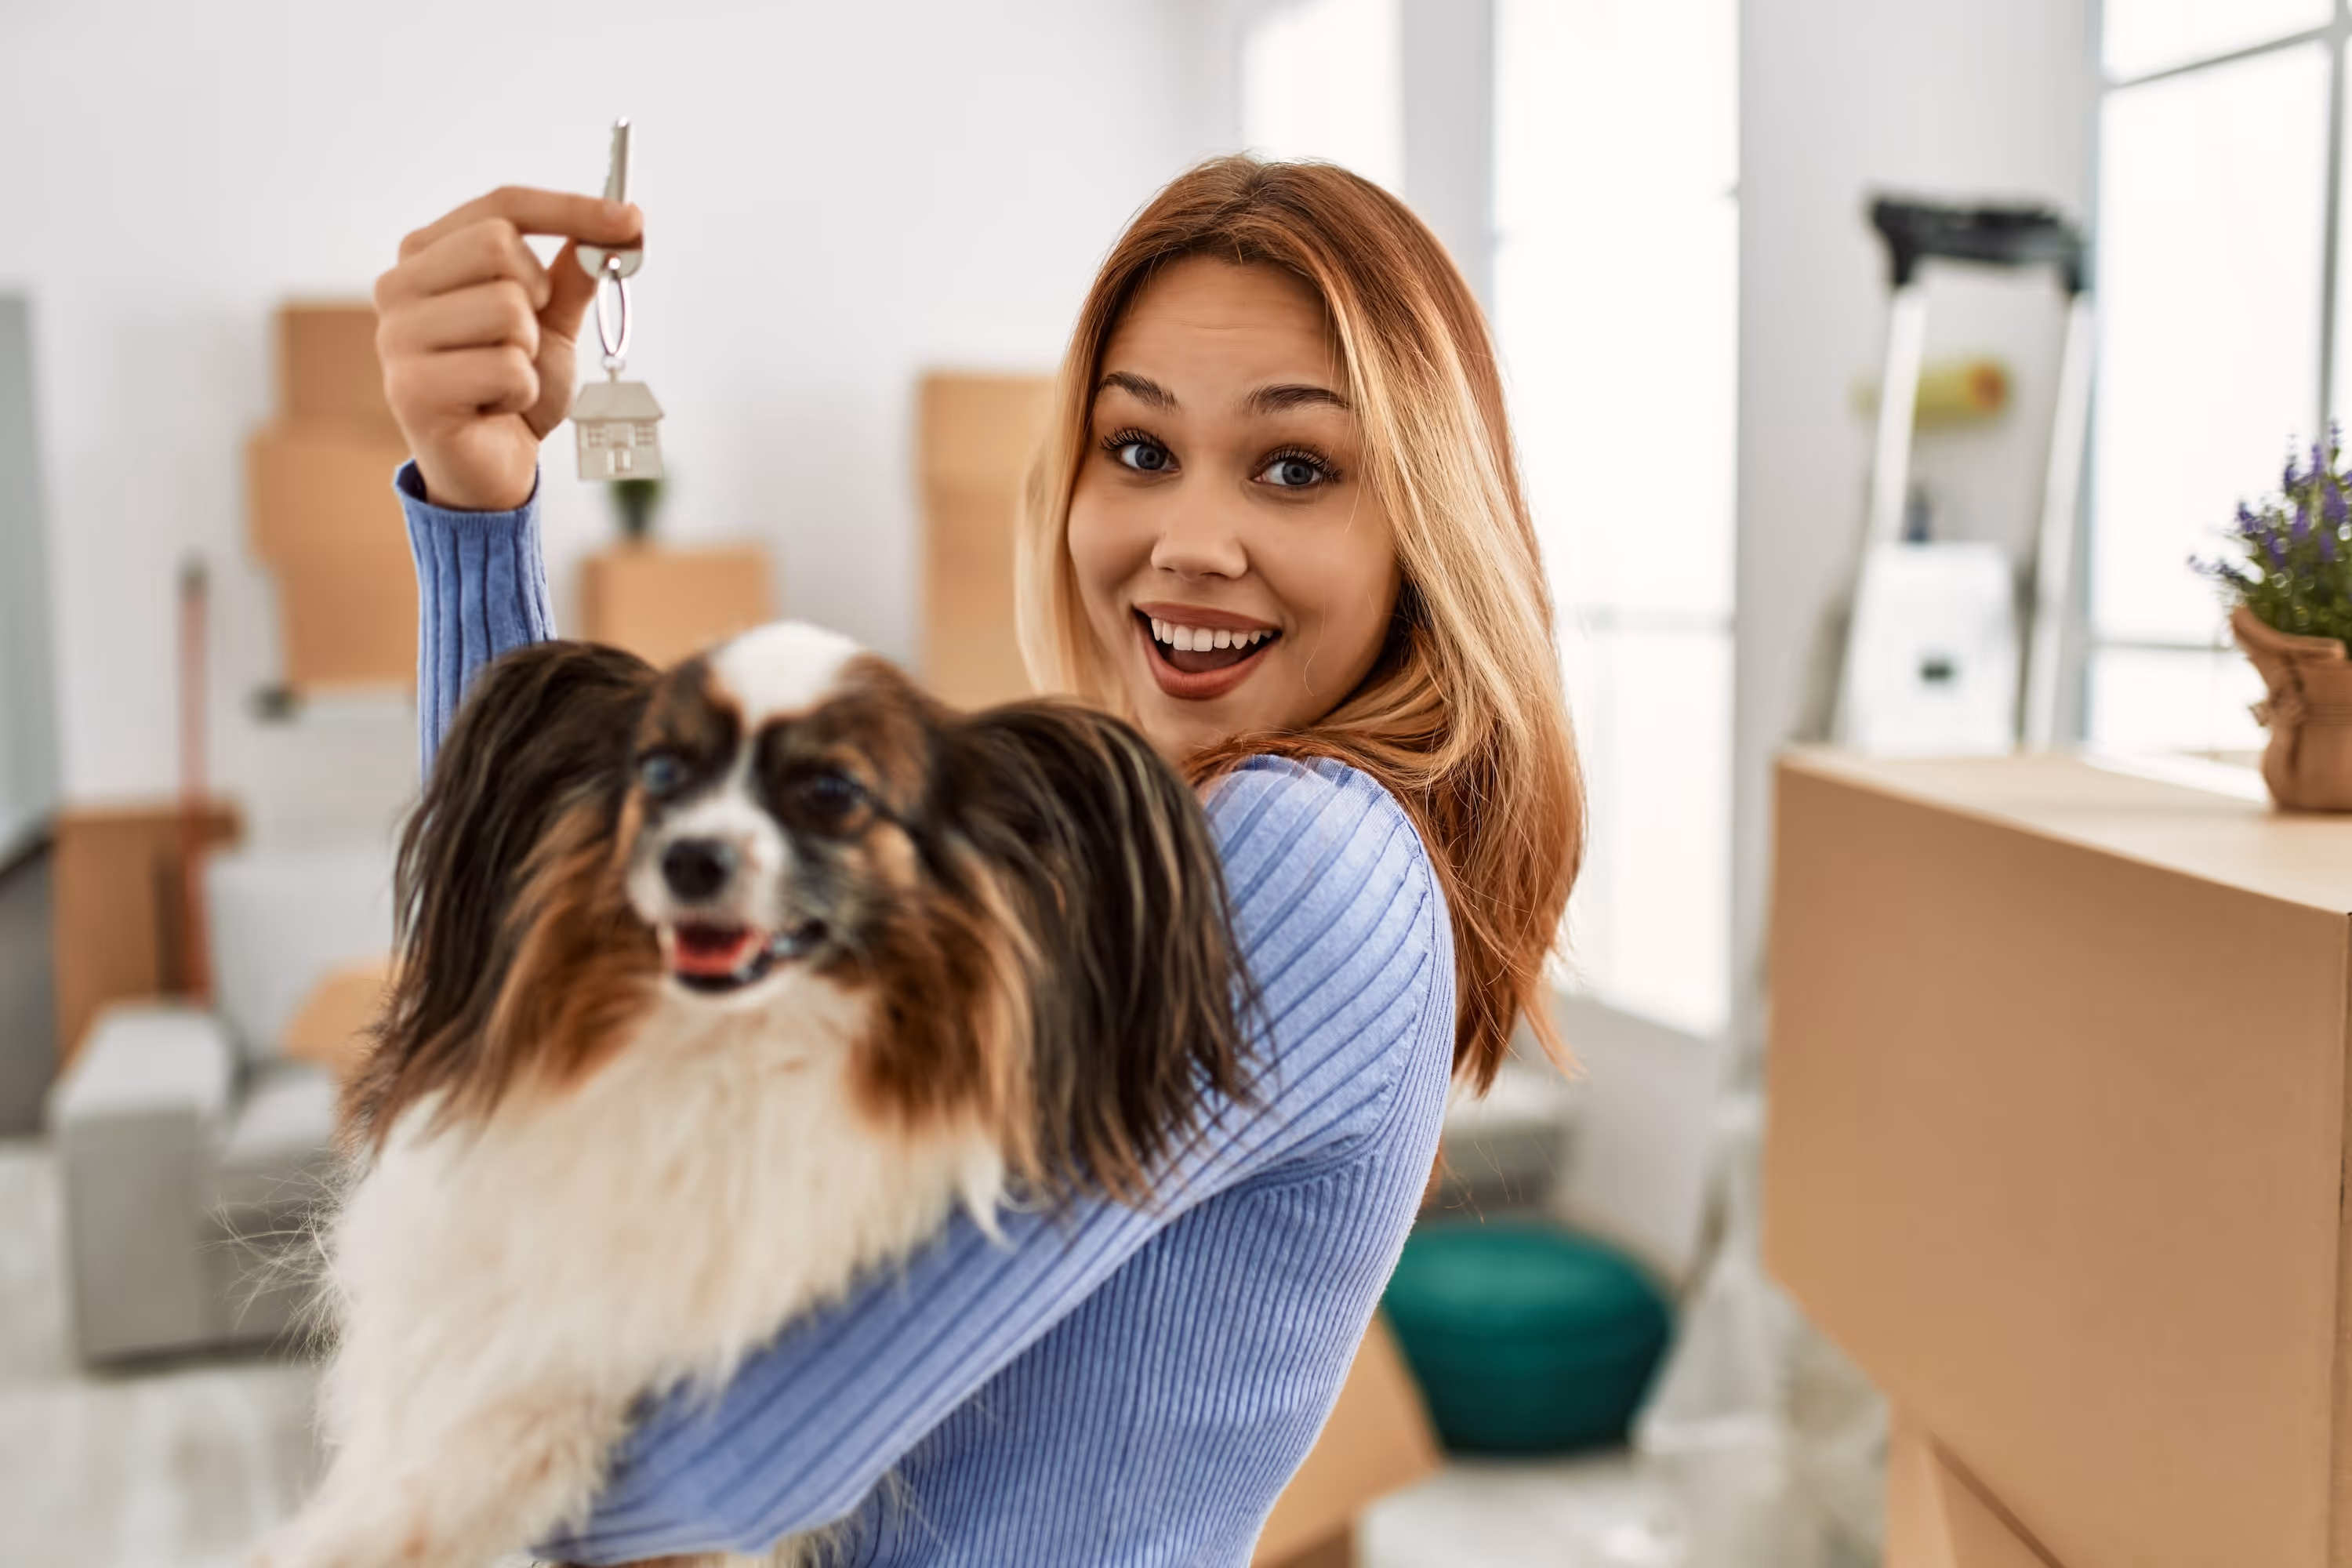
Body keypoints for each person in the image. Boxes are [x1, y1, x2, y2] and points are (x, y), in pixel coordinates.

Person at [376, 154, 1582, 1564]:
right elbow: (515, 1009)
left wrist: (436, 1473)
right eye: (1138, 450)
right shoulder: (1146, 851)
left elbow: (713, 1463)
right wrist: (477, 514)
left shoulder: (1301, 862)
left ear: (1429, 525)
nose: (1190, 543)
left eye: (1295, 467)